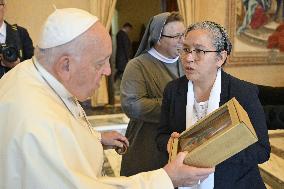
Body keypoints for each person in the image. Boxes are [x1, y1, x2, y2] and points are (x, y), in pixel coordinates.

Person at [0, 8, 215, 189]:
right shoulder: (36, 122)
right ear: (66, 64)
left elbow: (66, 125)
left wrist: (96, 138)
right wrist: (166, 178)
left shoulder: (33, 73)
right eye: (100, 62)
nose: (107, 71)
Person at [156, 21, 271, 188]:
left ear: (220, 58)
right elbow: (161, 136)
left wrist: (214, 152)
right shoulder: (173, 90)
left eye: (199, 51)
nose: (188, 58)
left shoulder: (243, 92)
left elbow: (262, 150)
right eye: (185, 49)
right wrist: (170, 144)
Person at [120, 12, 185, 176]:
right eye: (176, 36)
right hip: (147, 143)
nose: (183, 41)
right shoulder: (137, 66)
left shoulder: (186, 61)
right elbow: (133, 106)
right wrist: (177, 105)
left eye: (184, 34)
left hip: (181, 142)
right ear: (158, 38)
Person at [0, 0, 34, 78]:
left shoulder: (21, 33)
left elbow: (33, 65)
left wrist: (17, 65)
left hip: (16, 87)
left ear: (4, 7)